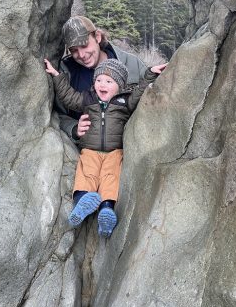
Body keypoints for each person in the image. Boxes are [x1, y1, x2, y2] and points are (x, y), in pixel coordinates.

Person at [45, 57, 167, 237]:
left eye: (109, 81)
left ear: (120, 85)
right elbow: (69, 97)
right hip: (90, 149)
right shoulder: (88, 99)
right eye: (99, 80)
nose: (102, 84)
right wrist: (56, 75)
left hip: (114, 151)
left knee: (111, 177)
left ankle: (106, 210)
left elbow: (141, 91)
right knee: (87, 172)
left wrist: (150, 74)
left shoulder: (125, 102)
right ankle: (81, 202)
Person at [57, 16, 149, 143]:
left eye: (84, 45)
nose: (82, 55)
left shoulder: (132, 64)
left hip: (130, 146)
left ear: (98, 37)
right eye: (74, 50)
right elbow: (56, 114)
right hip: (85, 151)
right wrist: (73, 128)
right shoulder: (65, 72)